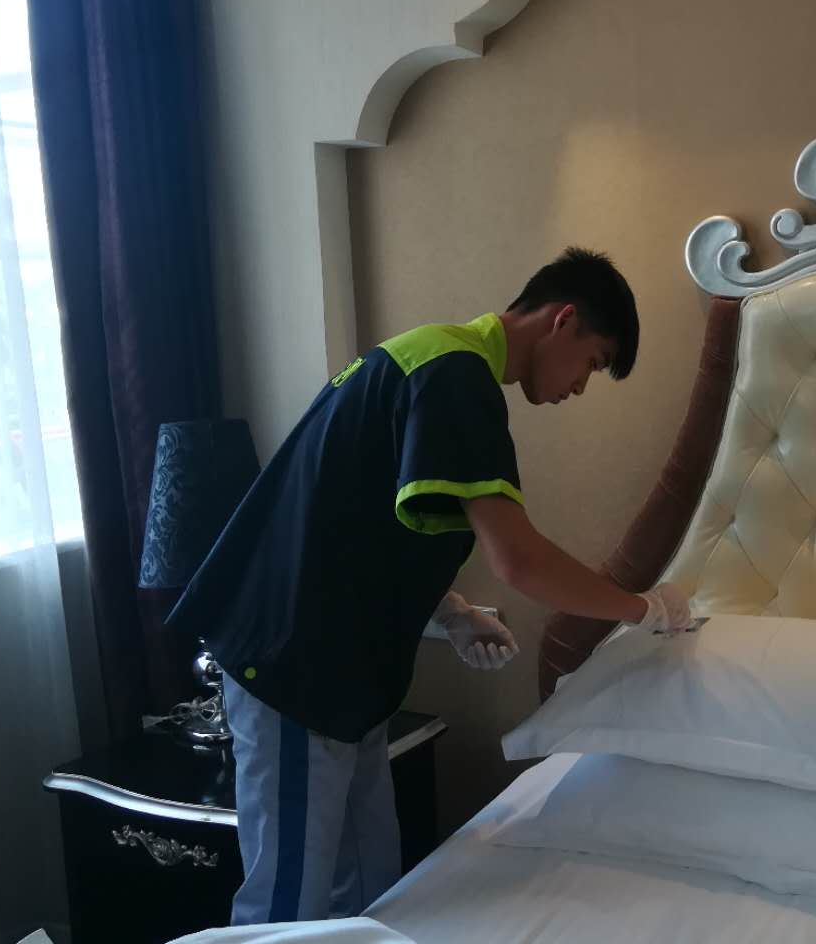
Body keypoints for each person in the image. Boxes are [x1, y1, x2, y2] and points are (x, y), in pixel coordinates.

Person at [167, 248, 692, 925]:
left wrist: (452, 612)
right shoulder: (455, 376)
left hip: (341, 672)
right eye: (592, 363)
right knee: (287, 911)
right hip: (293, 666)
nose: (579, 387)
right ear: (562, 320)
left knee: (366, 889)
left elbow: (358, 525)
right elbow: (519, 559)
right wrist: (643, 609)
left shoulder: (434, 359)